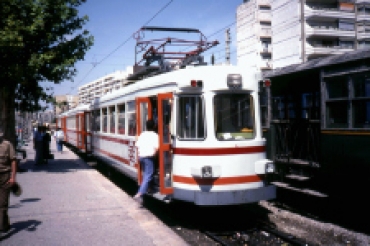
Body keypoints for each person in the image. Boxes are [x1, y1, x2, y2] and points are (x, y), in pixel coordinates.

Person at [133, 119, 159, 204]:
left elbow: (137, 145)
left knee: (146, 175)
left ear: (146, 126)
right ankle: (139, 194)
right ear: (154, 126)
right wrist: (155, 155)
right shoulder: (155, 135)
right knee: (149, 175)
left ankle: (149, 188)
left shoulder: (142, 134)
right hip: (148, 157)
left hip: (141, 157)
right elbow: (157, 147)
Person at [0, 131, 17, 233]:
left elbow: (13, 160)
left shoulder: (7, 145)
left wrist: (13, 177)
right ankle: (4, 224)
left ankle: (1, 227)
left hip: (4, 176)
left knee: (3, 203)